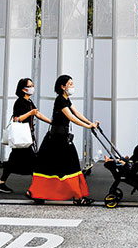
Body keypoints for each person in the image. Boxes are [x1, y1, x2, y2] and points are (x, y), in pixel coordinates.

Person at [26, 74, 98, 203]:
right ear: (63, 87)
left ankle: (37, 193)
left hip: (59, 138)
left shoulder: (66, 99)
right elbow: (71, 117)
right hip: (57, 139)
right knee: (69, 166)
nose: (72, 86)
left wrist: (90, 123)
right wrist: (88, 126)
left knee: (50, 167)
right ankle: (77, 197)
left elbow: (76, 113)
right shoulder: (60, 100)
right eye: (70, 84)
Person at [0, 78, 49, 194]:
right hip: (22, 136)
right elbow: (16, 119)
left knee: (13, 161)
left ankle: (1, 183)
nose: (32, 88)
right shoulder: (19, 102)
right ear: (23, 89)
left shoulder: (29, 101)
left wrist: (51, 122)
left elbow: (37, 113)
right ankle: (39, 187)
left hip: (25, 137)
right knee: (34, 162)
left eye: (32, 85)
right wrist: (30, 113)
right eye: (30, 86)